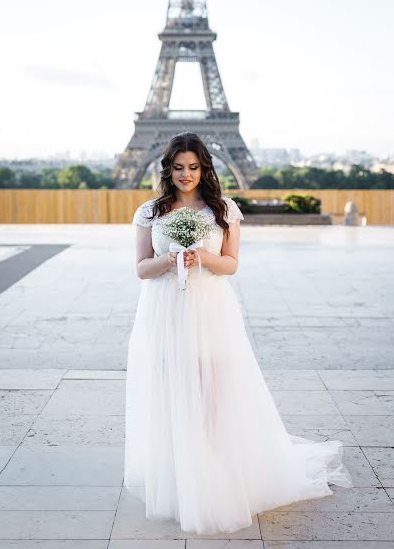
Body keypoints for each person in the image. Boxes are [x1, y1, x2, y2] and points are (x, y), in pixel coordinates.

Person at [124, 131, 353, 535]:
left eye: (193, 167)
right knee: (175, 392)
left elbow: (231, 264)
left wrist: (204, 256)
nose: (185, 175)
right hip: (166, 312)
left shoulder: (223, 209)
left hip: (211, 310)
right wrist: (170, 258)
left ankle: (214, 476)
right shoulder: (150, 211)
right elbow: (141, 268)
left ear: (204, 168)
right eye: (178, 167)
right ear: (168, 169)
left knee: (213, 392)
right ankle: (183, 478)